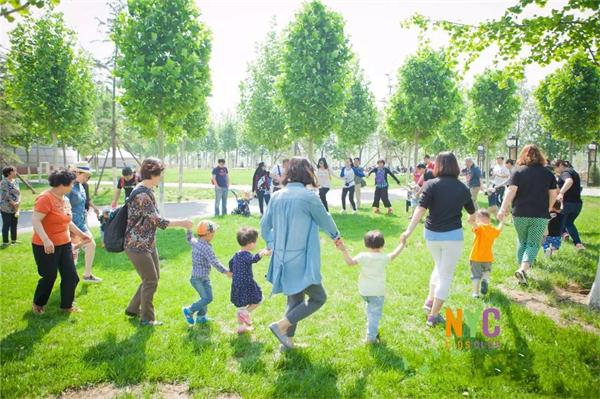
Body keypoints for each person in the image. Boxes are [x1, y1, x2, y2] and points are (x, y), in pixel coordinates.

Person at [261, 157, 342, 350]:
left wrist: (272, 243)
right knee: (318, 298)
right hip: (300, 259)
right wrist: (336, 236)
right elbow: (326, 220)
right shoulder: (309, 197)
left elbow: (264, 226)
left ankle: (287, 342)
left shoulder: (277, 196)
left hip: (281, 258)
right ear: (306, 173)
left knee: (295, 299)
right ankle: (280, 326)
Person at [400, 152, 476, 327]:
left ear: (438, 165)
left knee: (439, 266)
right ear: (456, 166)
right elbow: (472, 213)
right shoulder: (462, 187)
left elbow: (420, 210)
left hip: (431, 235)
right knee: (446, 275)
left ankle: (429, 301)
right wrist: (472, 221)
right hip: (452, 237)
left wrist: (408, 231)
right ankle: (433, 316)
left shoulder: (430, 185)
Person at [124, 158, 193, 326]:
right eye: (160, 174)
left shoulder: (147, 190)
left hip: (147, 243)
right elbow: (158, 221)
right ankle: (147, 319)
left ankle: (133, 308)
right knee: (151, 281)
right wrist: (182, 222)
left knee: (152, 278)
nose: (161, 177)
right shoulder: (142, 194)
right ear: (153, 174)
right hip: (136, 244)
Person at [31, 170, 93, 314]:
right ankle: (38, 304)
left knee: (71, 276)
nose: (73, 186)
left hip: (64, 243)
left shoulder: (65, 199)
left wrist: (81, 234)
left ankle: (67, 306)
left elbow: (67, 221)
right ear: (61, 184)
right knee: (49, 276)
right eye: (71, 183)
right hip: (45, 245)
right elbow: (35, 220)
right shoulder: (45, 198)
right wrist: (46, 240)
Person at [498, 145, 558, 286]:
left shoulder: (517, 172)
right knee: (533, 244)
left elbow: (510, 191)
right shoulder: (548, 173)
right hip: (540, 215)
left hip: (520, 214)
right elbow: (553, 194)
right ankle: (523, 270)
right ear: (541, 156)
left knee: (522, 241)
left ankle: (521, 272)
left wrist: (503, 209)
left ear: (522, 156)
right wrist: (548, 208)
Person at [338, 230, 404, 344]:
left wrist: (344, 250)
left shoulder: (363, 256)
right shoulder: (383, 257)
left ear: (366, 244)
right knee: (375, 314)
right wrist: (402, 244)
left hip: (364, 291)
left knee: (370, 310)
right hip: (377, 292)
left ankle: (372, 329)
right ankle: (371, 339)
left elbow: (350, 262)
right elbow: (394, 254)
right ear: (382, 244)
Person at [181, 220, 232, 325]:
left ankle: (201, 317)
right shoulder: (206, 247)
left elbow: (189, 238)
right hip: (198, 279)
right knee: (207, 298)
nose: (214, 235)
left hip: (203, 277)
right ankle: (189, 310)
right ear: (208, 234)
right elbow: (214, 261)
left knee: (205, 298)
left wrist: (189, 229)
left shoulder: (196, 242)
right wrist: (226, 271)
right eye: (213, 233)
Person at [229, 227, 271, 334]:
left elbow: (230, 262)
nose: (256, 243)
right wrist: (263, 253)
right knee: (259, 299)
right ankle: (246, 313)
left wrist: (231, 272)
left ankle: (241, 327)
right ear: (249, 243)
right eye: (255, 241)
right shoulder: (246, 255)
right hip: (246, 284)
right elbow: (253, 259)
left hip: (237, 285)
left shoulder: (237, 254)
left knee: (240, 307)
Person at [67, 162, 101, 283]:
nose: (87, 178)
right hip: (71, 225)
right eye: (85, 175)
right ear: (76, 172)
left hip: (81, 223)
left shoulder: (81, 186)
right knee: (72, 255)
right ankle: (70, 281)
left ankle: (87, 275)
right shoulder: (68, 187)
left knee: (91, 245)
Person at [468, 209, 503, 298]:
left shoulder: (479, 227)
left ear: (479, 219)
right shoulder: (492, 229)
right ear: (489, 219)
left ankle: (475, 293)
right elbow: (499, 230)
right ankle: (485, 280)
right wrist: (502, 221)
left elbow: (473, 224)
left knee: (476, 275)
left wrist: (471, 219)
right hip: (488, 257)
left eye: (476, 218)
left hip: (476, 257)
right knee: (486, 272)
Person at [554, 160, 584, 250]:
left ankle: (554, 248)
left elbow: (569, 181)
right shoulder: (573, 172)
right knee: (569, 223)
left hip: (568, 204)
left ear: (560, 165)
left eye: (555, 168)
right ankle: (578, 244)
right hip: (577, 204)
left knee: (558, 224)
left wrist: (561, 193)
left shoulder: (565, 172)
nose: (555, 170)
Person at [1, 166, 20, 248]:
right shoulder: (3, 182)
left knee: (14, 223)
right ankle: (5, 242)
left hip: (15, 206)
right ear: (9, 173)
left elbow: (19, 192)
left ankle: (14, 241)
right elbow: (5, 194)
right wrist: (13, 203)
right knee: (7, 224)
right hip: (6, 206)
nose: (15, 172)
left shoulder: (15, 181)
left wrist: (18, 201)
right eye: (14, 171)